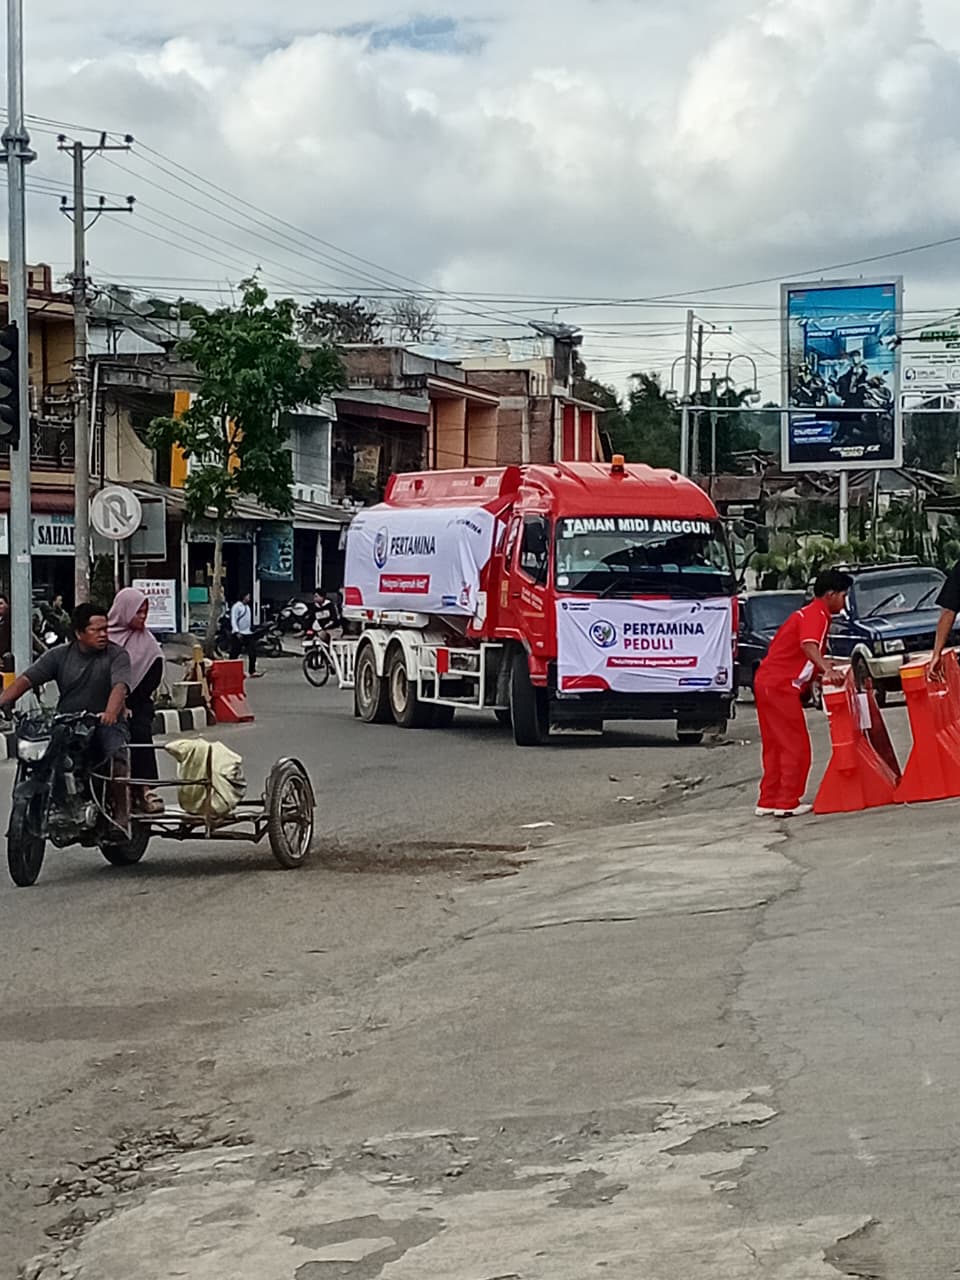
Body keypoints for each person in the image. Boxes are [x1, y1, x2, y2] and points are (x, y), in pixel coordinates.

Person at [0, 602, 133, 821]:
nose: (103, 635)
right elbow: (27, 678)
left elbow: (120, 686)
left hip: (104, 723)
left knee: (117, 756)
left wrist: (110, 713)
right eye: (96, 630)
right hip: (67, 722)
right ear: (79, 633)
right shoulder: (59, 655)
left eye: (105, 629)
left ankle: (121, 813)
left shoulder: (117, 655)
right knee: (43, 756)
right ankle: (58, 799)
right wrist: (4, 700)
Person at [753, 570, 852, 818]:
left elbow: (806, 654)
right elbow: (808, 645)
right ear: (830, 595)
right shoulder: (817, 615)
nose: (844, 601)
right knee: (795, 746)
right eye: (843, 595)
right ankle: (787, 801)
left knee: (775, 745)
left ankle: (768, 799)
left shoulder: (807, 613)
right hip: (780, 686)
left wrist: (826, 664)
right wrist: (829, 669)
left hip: (766, 682)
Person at [108, 586, 164, 815]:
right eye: (137, 612)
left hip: (136, 703)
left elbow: (152, 677)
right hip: (103, 702)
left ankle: (145, 788)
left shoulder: (148, 645)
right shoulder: (104, 637)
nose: (142, 617)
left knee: (139, 732)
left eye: (144, 612)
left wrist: (127, 703)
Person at [229, 591, 262, 678]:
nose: (249, 598)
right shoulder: (237, 607)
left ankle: (252, 671)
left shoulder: (247, 607)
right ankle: (231, 671)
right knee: (235, 653)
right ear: (243, 597)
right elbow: (234, 619)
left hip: (248, 633)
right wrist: (236, 631)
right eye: (247, 596)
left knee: (252, 652)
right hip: (239, 633)